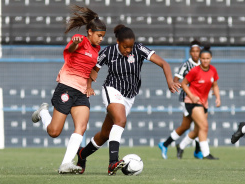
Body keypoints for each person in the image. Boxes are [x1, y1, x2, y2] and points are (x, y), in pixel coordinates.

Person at [76, 24, 180, 175]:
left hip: (129, 96)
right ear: (118, 42)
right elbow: (93, 69)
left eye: (131, 47)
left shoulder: (139, 49)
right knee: (120, 120)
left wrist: (170, 81)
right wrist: (89, 85)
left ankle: (82, 154)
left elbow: (164, 63)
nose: (129, 50)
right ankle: (112, 163)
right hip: (112, 89)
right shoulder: (108, 52)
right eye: (125, 47)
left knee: (105, 134)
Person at [31, 5, 106, 174]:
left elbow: (91, 71)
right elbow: (70, 49)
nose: (101, 39)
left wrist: (89, 87)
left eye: (103, 36)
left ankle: (65, 164)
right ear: (89, 32)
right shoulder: (79, 39)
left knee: (82, 126)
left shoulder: (97, 49)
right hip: (66, 87)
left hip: (81, 92)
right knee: (54, 132)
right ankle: (43, 112)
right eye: (99, 35)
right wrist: (75, 43)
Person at [158, 40, 204, 160]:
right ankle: (198, 151)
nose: (195, 53)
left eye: (197, 51)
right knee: (200, 123)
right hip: (186, 99)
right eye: (193, 51)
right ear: (190, 52)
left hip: (199, 100)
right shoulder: (186, 65)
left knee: (185, 126)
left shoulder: (202, 65)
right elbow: (176, 79)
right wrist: (185, 87)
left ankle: (164, 144)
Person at [175, 46, 221, 160]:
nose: (205, 60)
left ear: (211, 58)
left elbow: (215, 85)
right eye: (203, 58)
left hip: (204, 103)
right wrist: (191, 96)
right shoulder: (195, 71)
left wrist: (218, 97)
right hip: (192, 102)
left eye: (207, 58)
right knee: (204, 126)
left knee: (197, 130)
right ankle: (206, 154)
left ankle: (180, 146)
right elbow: (184, 84)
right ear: (200, 59)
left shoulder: (213, 70)